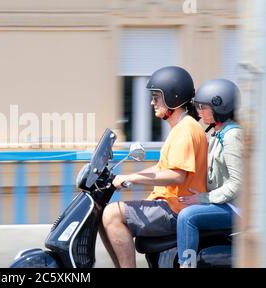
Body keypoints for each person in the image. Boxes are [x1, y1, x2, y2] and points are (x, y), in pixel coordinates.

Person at [99, 66, 208, 268]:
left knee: (112, 214)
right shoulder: (181, 128)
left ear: (173, 97)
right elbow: (161, 167)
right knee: (104, 215)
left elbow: (176, 176)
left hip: (176, 208)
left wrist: (133, 179)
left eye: (156, 97)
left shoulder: (186, 130)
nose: (152, 102)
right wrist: (127, 176)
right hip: (171, 204)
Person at [176, 79, 243, 268]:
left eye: (203, 107)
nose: (198, 111)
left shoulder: (232, 136)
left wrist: (204, 198)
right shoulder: (216, 133)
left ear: (220, 106)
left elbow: (237, 183)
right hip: (225, 203)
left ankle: (186, 265)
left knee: (188, 216)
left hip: (238, 208)